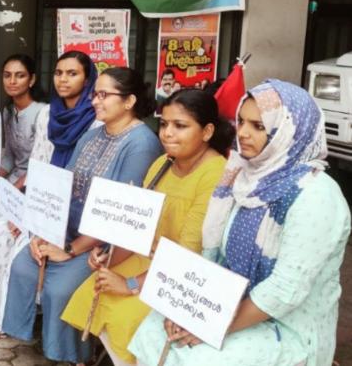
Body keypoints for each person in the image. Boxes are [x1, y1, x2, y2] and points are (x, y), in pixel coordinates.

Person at [129, 80, 351, 366]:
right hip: (226, 302)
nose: (243, 133)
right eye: (242, 121)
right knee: (152, 330)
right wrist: (190, 309)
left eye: (258, 126)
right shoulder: (243, 176)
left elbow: (285, 290)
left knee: (199, 359)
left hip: (285, 324)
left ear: (288, 132)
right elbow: (218, 255)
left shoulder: (316, 195)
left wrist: (209, 324)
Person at [1, 66, 162, 365]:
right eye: (95, 94)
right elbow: (63, 189)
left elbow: (120, 218)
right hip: (67, 232)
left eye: (103, 95)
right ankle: (43, 337)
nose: (94, 101)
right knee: (24, 264)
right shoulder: (92, 136)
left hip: (105, 246)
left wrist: (70, 250)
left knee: (60, 289)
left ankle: (71, 354)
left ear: (128, 101)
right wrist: (44, 234)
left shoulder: (141, 144)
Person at [62, 89, 233, 366]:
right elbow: (137, 229)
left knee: (124, 316)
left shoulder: (215, 175)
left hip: (185, 277)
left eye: (180, 126)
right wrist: (108, 257)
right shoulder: (161, 165)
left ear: (207, 131)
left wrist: (130, 284)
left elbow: (188, 252)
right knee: (91, 291)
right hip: (150, 260)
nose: (167, 133)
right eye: (164, 124)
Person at [0, 50, 98, 329]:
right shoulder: (49, 114)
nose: (64, 80)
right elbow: (40, 165)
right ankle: (5, 318)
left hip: (76, 210)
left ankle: (33, 317)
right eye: (59, 73)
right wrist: (27, 211)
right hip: (45, 200)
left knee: (17, 243)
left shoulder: (97, 120)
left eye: (72, 73)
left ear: (87, 78)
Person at [0, 54, 47, 246]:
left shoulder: (43, 113)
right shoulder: (8, 110)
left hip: (34, 188)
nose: (12, 81)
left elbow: (41, 166)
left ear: (31, 79)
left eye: (20, 75)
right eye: (7, 75)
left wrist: (0, 198)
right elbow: (8, 157)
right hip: (13, 182)